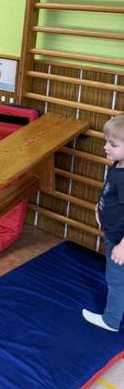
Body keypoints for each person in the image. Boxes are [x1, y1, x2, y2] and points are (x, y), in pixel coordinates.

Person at [83, 114, 124, 332]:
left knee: (116, 280)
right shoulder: (118, 164)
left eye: (113, 144)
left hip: (119, 240)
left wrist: (123, 245)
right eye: (106, 141)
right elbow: (108, 192)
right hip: (114, 234)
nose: (106, 147)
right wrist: (98, 207)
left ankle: (111, 321)